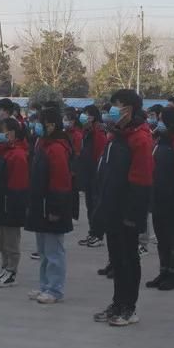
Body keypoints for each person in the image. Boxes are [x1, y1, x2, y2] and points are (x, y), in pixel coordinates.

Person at [92, 89, 154, 326]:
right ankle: (117, 303)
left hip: (127, 211)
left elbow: (142, 181)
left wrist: (133, 215)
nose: (113, 109)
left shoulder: (140, 139)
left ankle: (129, 307)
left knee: (128, 259)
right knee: (117, 260)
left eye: (117, 105)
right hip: (112, 208)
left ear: (129, 109)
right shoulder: (116, 136)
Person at [25, 106, 74, 305]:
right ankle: (45, 285)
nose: (36, 126)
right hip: (41, 204)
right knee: (44, 251)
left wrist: (55, 208)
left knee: (54, 251)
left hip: (52, 206)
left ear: (51, 125)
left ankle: (55, 289)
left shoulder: (57, 148)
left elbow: (60, 181)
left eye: (40, 122)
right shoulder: (43, 144)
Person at [146, 106, 174, 291]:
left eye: (162, 119)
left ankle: (173, 274)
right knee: (162, 237)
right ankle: (163, 271)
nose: (159, 122)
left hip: (173, 199)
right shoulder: (159, 141)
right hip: (158, 196)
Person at [0, 117, 29, 288]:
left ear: (11, 133)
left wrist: (11, 205)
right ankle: (5, 268)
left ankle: (11, 271)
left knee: (11, 241)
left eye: (1, 131)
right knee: (1, 240)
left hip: (9, 204)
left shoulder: (17, 154)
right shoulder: (3, 152)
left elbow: (18, 185)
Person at [77, 104, 108, 248]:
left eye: (87, 114)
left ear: (94, 117)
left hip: (95, 173)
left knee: (96, 204)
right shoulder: (87, 131)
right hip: (87, 172)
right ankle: (92, 232)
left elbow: (99, 154)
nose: (84, 117)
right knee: (90, 204)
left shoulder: (98, 132)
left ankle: (98, 234)